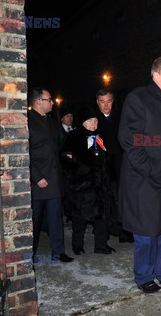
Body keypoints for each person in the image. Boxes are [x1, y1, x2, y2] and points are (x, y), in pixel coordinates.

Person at [118, 56, 161, 293]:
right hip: (144, 179)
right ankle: (144, 276)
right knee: (146, 231)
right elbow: (129, 140)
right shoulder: (138, 98)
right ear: (156, 75)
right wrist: (150, 170)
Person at [61, 107, 116, 255]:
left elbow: (108, 155)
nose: (94, 123)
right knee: (80, 218)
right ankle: (77, 246)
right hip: (82, 187)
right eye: (91, 120)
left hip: (101, 186)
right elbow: (65, 158)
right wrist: (80, 169)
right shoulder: (74, 136)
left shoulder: (100, 135)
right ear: (83, 122)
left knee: (102, 217)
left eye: (96, 120)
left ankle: (101, 245)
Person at [28, 87, 74, 263]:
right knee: (35, 219)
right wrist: (36, 176)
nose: (53, 103)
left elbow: (55, 148)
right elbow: (25, 153)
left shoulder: (51, 121)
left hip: (54, 178)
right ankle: (29, 254)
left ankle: (58, 251)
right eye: (49, 100)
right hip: (38, 180)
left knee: (56, 218)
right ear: (38, 101)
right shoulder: (27, 121)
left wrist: (64, 155)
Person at [95, 89, 133, 242]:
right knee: (106, 200)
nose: (106, 105)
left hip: (121, 164)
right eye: (102, 101)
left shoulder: (121, 118)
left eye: (109, 101)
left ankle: (125, 231)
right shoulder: (93, 121)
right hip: (102, 167)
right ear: (97, 102)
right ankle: (108, 230)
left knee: (123, 198)